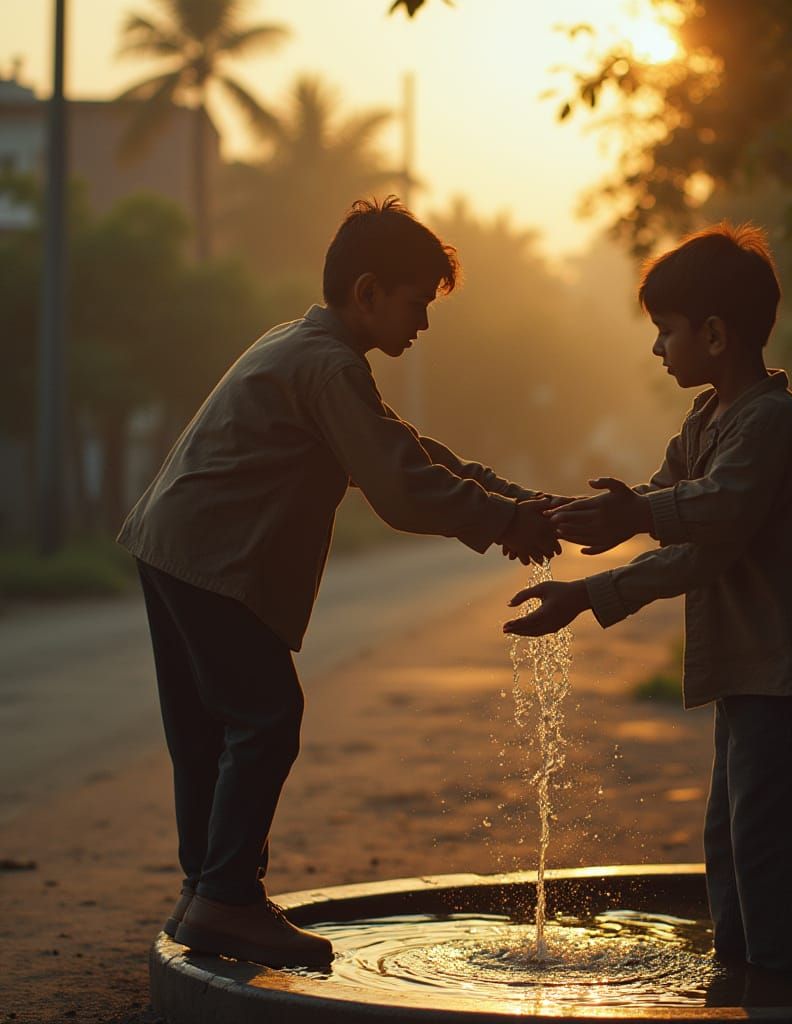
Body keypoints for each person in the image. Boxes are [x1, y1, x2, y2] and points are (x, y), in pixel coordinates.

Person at [118, 196, 560, 969]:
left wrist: (510, 501)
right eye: (416, 304)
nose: (421, 325)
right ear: (368, 293)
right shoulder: (326, 363)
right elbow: (401, 490)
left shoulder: (307, 345)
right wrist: (508, 522)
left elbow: (398, 448)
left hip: (174, 547)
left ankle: (208, 894)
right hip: (211, 557)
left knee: (210, 731)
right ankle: (225, 897)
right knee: (265, 717)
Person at [503, 222, 792, 982]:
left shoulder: (769, 424)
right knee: (732, 850)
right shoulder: (707, 422)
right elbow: (656, 502)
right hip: (751, 678)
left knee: (776, 858)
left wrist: (605, 565)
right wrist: (556, 520)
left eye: (665, 332)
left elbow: (711, 522)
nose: (658, 348)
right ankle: (746, 985)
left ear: (715, 334)